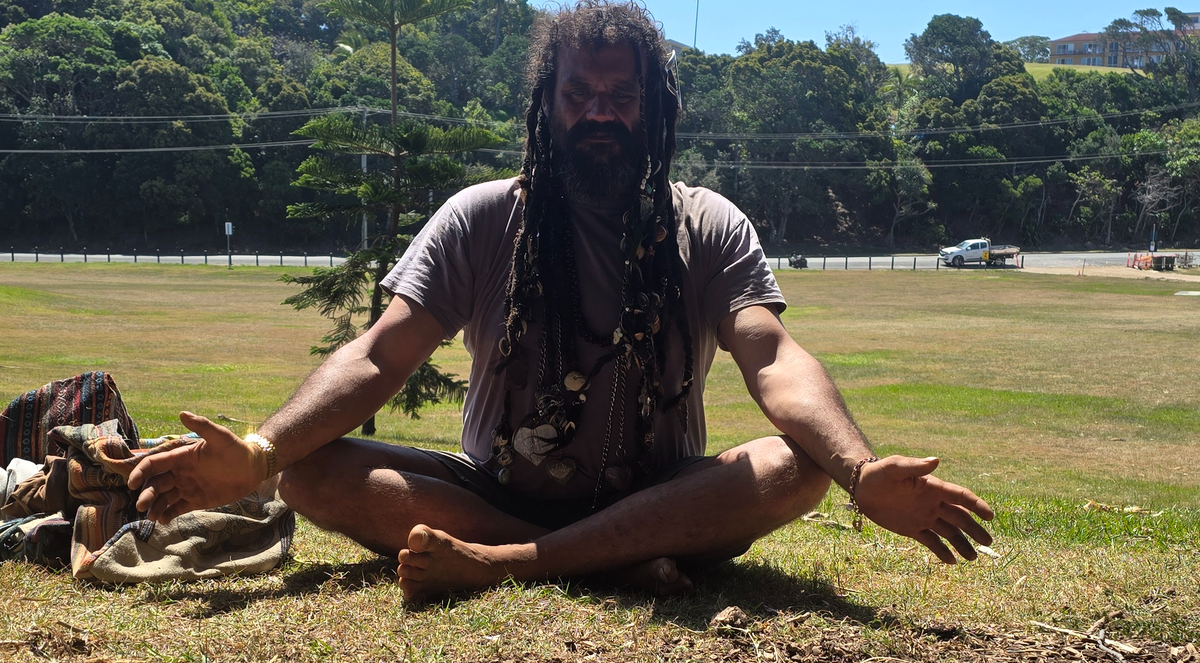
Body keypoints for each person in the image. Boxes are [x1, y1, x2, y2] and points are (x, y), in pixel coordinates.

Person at [129, 1, 993, 600]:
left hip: (657, 496)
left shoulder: (708, 222)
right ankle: (595, 562)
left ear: (657, 108)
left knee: (799, 467)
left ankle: (511, 565)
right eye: (579, 95)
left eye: (622, 97)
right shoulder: (480, 217)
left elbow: (770, 356)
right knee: (309, 470)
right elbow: (381, 353)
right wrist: (261, 450)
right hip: (492, 493)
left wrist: (858, 472)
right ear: (546, 104)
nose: (599, 115)